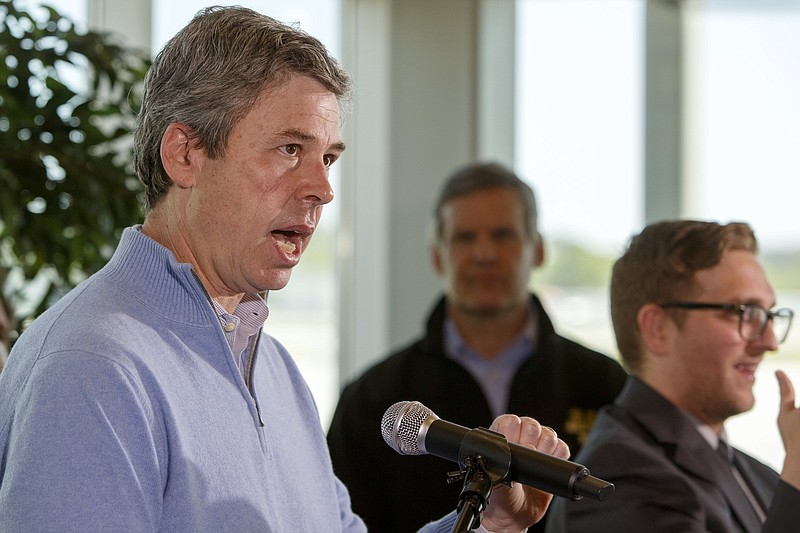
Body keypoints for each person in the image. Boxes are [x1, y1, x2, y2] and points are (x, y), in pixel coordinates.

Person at [0, 7, 569, 532]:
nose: (322, 188)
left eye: (327, 158)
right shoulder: (90, 366)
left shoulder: (275, 370)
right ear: (185, 155)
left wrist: (490, 524)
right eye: (290, 150)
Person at [327, 162, 628, 533]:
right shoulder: (374, 399)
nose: (484, 253)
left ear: (537, 250)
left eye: (503, 235)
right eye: (465, 238)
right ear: (437, 255)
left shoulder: (603, 384)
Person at [545, 220, 800, 532]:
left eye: (770, 315)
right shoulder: (614, 482)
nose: (770, 342)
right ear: (658, 329)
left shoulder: (757, 474)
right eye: (745, 312)